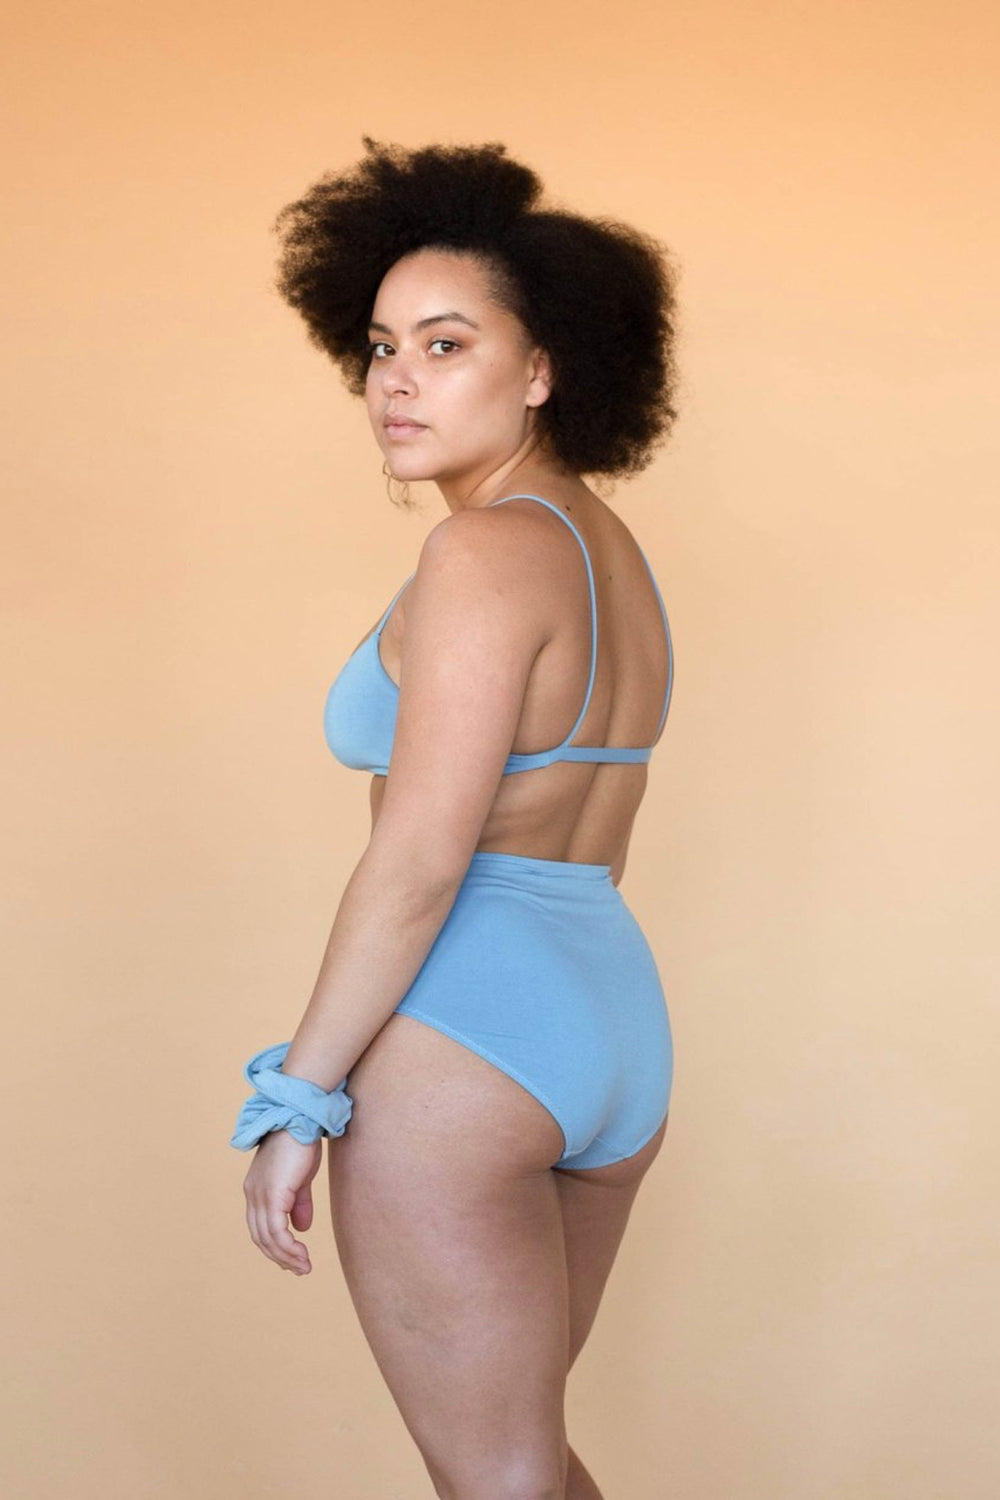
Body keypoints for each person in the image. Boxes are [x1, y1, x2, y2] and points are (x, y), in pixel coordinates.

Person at [230, 138, 680, 1500]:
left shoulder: (481, 551)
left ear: (541, 369)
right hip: (609, 1018)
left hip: (469, 1038)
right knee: (521, 1471)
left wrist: (298, 1094)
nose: (397, 382)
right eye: (380, 348)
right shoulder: (606, 549)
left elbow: (422, 858)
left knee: (496, 1481)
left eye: (445, 344)